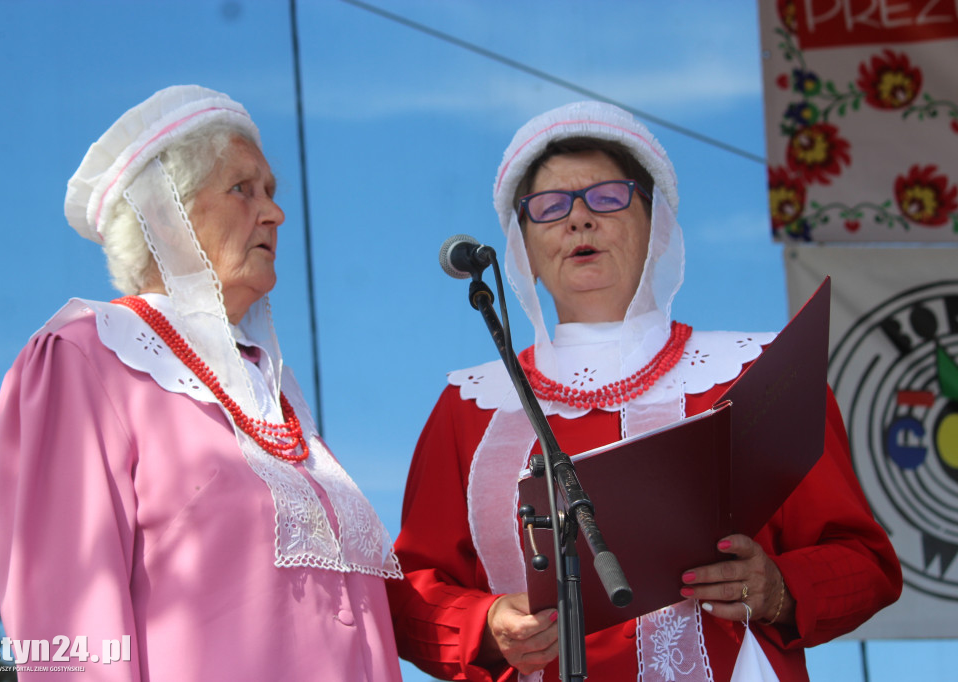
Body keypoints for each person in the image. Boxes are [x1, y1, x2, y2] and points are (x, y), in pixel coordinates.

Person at [386, 101, 902, 682]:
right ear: (522, 249)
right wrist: (486, 622)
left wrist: (779, 588)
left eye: (607, 197)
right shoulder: (470, 404)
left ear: (656, 227)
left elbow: (865, 561)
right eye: (549, 207)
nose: (579, 220)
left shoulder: (753, 369)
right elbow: (408, 596)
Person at [0, 85, 403, 681]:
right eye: (243, 189)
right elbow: (65, 624)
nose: (275, 213)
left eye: (271, 192)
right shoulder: (86, 355)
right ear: (167, 211)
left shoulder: (272, 391)